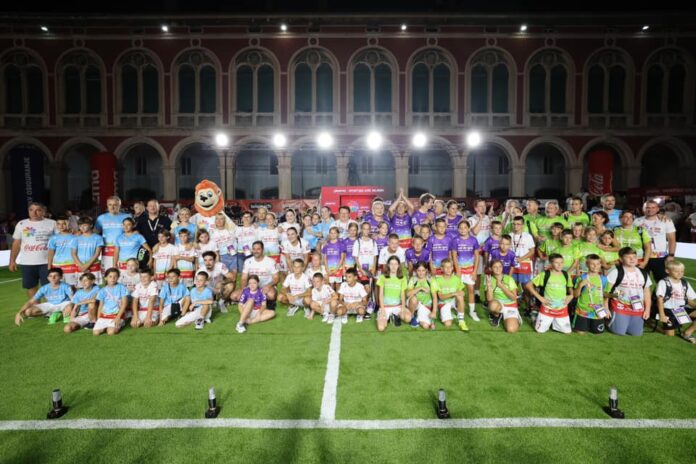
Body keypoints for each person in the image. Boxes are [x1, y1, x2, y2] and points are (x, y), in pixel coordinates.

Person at [9, 202, 56, 299]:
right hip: (27, 263)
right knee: (31, 288)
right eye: (31, 210)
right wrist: (12, 261)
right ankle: (35, 307)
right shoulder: (21, 224)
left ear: (43, 211)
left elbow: (60, 240)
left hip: (47, 262)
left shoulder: (52, 223)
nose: (34, 213)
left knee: (50, 287)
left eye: (38, 210)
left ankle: (50, 307)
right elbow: (16, 243)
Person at [605, 247, 652, 336]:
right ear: (621, 259)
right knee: (619, 332)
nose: (632, 259)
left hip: (638, 308)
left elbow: (647, 293)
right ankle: (608, 321)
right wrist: (606, 308)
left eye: (634, 257)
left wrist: (647, 309)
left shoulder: (643, 273)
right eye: (628, 257)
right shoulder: (616, 272)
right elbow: (606, 292)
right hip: (620, 307)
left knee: (636, 334)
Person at [525, 254, 573, 334]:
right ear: (551, 263)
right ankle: (536, 318)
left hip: (562, 308)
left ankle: (554, 321)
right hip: (547, 307)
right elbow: (528, 285)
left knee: (567, 332)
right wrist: (540, 298)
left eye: (561, 262)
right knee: (540, 331)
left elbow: (570, 287)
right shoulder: (545, 274)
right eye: (556, 262)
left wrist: (571, 295)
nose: (559, 265)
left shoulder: (566, 274)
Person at [635, 199, 677, 282]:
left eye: (653, 207)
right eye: (648, 207)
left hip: (660, 257)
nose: (650, 210)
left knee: (663, 282)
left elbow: (672, 239)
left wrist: (671, 255)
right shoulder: (637, 221)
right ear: (644, 209)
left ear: (658, 209)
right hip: (642, 256)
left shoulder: (666, 221)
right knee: (640, 282)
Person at [655, 260, 696, 339]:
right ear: (667, 271)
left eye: (682, 271)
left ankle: (687, 333)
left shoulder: (685, 283)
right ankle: (651, 323)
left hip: (680, 310)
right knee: (670, 335)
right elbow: (660, 300)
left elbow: (688, 300)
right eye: (676, 271)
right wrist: (662, 314)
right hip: (668, 310)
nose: (680, 273)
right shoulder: (663, 282)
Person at [230, 241, 279, 306]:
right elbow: (244, 278)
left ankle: (253, 299)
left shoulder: (271, 261)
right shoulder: (247, 261)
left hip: (266, 286)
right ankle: (257, 299)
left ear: (263, 250)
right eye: (254, 249)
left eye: (258, 249)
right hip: (252, 286)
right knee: (234, 296)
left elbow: (276, 278)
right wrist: (244, 290)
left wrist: (268, 286)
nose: (256, 251)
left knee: (271, 295)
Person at [450, 220, 480, 321]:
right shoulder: (455, 240)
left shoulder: (473, 240)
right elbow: (454, 256)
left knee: (471, 290)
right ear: (458, 229)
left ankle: (472, 311)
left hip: (470, 270)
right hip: (459, 270)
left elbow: (477, 256)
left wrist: (475, 271)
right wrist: (457, 270)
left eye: (465, 228)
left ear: (469, 229)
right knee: (458, 290)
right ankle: (458, 310)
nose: (463, 230)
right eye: (460, 228)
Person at [573, 254, 609, 335]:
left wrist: (606, 308)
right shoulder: (581, 278)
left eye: (598, 264)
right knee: (580, 333)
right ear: (587, 264)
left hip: (597, 310)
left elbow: (605, 295)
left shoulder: (604, 279)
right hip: (583, 310)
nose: (595, 266)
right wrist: (580, 285)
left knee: (598, 333)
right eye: (592, 264)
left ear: (600, 264)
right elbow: (575, 295)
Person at [484, 260, 520, 332]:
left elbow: (514, 297)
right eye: (495, 267)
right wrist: (489, 286)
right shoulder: (490, 279)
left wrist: (502, 286)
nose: (498, 269)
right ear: (491, 268)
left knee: (511, 330)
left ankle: (511, 317)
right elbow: (489, 299)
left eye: (500, 266)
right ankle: (496, 315)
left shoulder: (509, 279)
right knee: (492, 305)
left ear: (502, 267)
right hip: (498, 304)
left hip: (510, 305)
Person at [95, 196, 130, 271]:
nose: (112, 207)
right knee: (108, 274)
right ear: (107, 205)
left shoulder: (127, 216)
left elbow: (133, 233)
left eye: (115, 205)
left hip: (124, 250)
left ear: (119, 205)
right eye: (110, 205)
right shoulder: (101, 218)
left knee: (124, 274)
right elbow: (95, 234)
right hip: (107, 252)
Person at [432, 258, 468, 330]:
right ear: (442, 268)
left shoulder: (456, 279)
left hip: (453, 301)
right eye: (446, 267)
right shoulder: (437, 280)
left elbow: (461, 292)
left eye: (450, 267)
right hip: (443, 302)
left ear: (452, 268)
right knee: (448, 324)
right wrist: (453, 293)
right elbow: (441, 297)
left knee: (460, 296)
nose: (448, 269)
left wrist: (461, 293)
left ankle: (461, 320)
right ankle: (448, 313)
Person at [376, 256, 409, 331]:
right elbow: (380, 295)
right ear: (388, 265)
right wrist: (382, 309)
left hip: (397, 306)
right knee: (381, 328)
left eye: (395, 264)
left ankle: (394, 315)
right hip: (386, 306)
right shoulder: (383, 277)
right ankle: (388, 317)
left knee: (407, 318)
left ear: (398, 265)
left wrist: (403, 307)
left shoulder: (402, 278)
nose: (393, 266)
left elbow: (402, 294)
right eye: (391, 264)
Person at [93, 267, 129, 336]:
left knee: (111, 332)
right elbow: (101, 305)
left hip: (116, 315)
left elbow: (124, 303)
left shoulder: (121, 287)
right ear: (105, 278)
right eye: (110, 276)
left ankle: (121, 322)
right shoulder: (102, 290)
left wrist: (118, 317)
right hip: (104, 315)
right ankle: (106, 326)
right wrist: (98, 319)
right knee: (96, 333)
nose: (113, 278)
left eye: (115, 276)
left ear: (118, 278)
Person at [47, 216, 78, 287]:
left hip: (71, 265)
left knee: (72, 287)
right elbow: (50, 253)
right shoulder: (53, 238)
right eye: (59, 224)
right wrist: (49, 267)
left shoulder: (75, 237)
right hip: (57, 266)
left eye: (63, 223)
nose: (61, 226)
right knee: (59, 287)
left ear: (68, 224)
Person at [72, 216, 104, 286]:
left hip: (93, 266)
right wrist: (82, 266)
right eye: (80, 226)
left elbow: (97, 253)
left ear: (91, 225)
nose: (82, 228)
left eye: (84, 225)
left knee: (95, 286)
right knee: (80, 287)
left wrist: (86, 266)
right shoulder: (76, 238)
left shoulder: (98, 238)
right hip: (80, 266)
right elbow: (73, 253)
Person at [407, 261, 437, 329]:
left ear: (426, 270)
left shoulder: (431, 280)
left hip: (425, 305)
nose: (421, 273)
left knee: (426, 326)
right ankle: (412, 317)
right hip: (414, 303)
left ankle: (418, 317)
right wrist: (420, 288)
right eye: (419, 270)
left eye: (423, 270)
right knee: (414, 299)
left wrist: (434, 312)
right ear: (416, 271)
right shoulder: (413, 279)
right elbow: (408, 294)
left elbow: (434, 297)